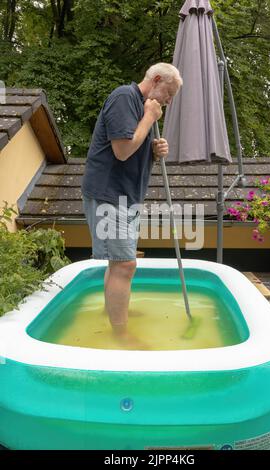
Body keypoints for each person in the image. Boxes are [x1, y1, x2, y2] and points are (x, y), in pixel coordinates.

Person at [81, 63, 183, 346]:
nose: (168, 101)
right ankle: (120, 334)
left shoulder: (142, 107)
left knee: (118, 264)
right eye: (168, 93)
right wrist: (149, 118)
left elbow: (134, 147)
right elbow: (122, 150)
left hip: (125, 196)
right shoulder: (125, 97)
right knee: (125, 265)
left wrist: (154, 150)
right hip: (108, 194)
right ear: (157, 79)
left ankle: (112, 311)